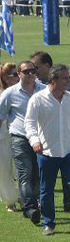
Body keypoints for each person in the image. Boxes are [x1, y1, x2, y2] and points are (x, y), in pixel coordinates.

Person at [25, 64, 70, 236]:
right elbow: (29, 123)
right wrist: (35, 141)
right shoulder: (37, 99)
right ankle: (48, 223)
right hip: (46, 152)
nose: (68, 81)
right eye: (65, 78)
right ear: (54, 79)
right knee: (46, 189)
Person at [0, 61, 46, 225]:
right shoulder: (9, 94)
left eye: (33, 70)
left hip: (41, 139)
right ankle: (30, 208)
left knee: (37, 174)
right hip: (19, 138)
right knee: (25, 173)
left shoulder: (43, 90)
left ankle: (35, 204)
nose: (31, 73)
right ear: (19, 73)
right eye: (26, 71)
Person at [0, 63, 20, 213]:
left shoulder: (23, 91)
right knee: (5, 169)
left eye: (16, 73)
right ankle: (10, 200)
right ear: (4, 78)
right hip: (3, 136)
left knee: (22, 168)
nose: (16, 77)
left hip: (20, 134)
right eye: (12, 74)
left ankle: (23, 196)